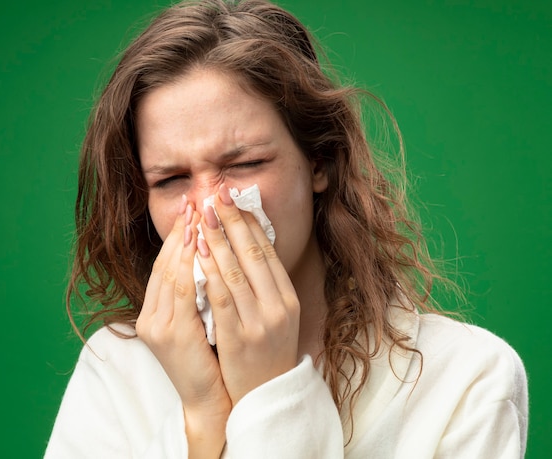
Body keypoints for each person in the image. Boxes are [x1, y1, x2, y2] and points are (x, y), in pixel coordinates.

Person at [45, 0, 528, 457]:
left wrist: (272, 397)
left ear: (319, 161)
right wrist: (200, 417)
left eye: (245, 164)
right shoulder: (117, 370)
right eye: (171, 180)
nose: (211, 206)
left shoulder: (466, 378)